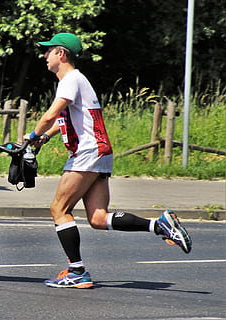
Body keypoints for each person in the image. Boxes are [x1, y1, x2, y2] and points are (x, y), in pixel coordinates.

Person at [24, 33, 192, 289]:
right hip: (100, 152)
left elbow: (50, 114)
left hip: (87, 153)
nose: (44, 56)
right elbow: (68, 120)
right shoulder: (77, 82)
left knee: (59, 209)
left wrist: (33, 135)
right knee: (99, 219)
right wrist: (44, 138)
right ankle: (159, 225)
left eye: (48, 51)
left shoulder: (71, 80)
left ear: (61, 53)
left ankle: (77, 271)